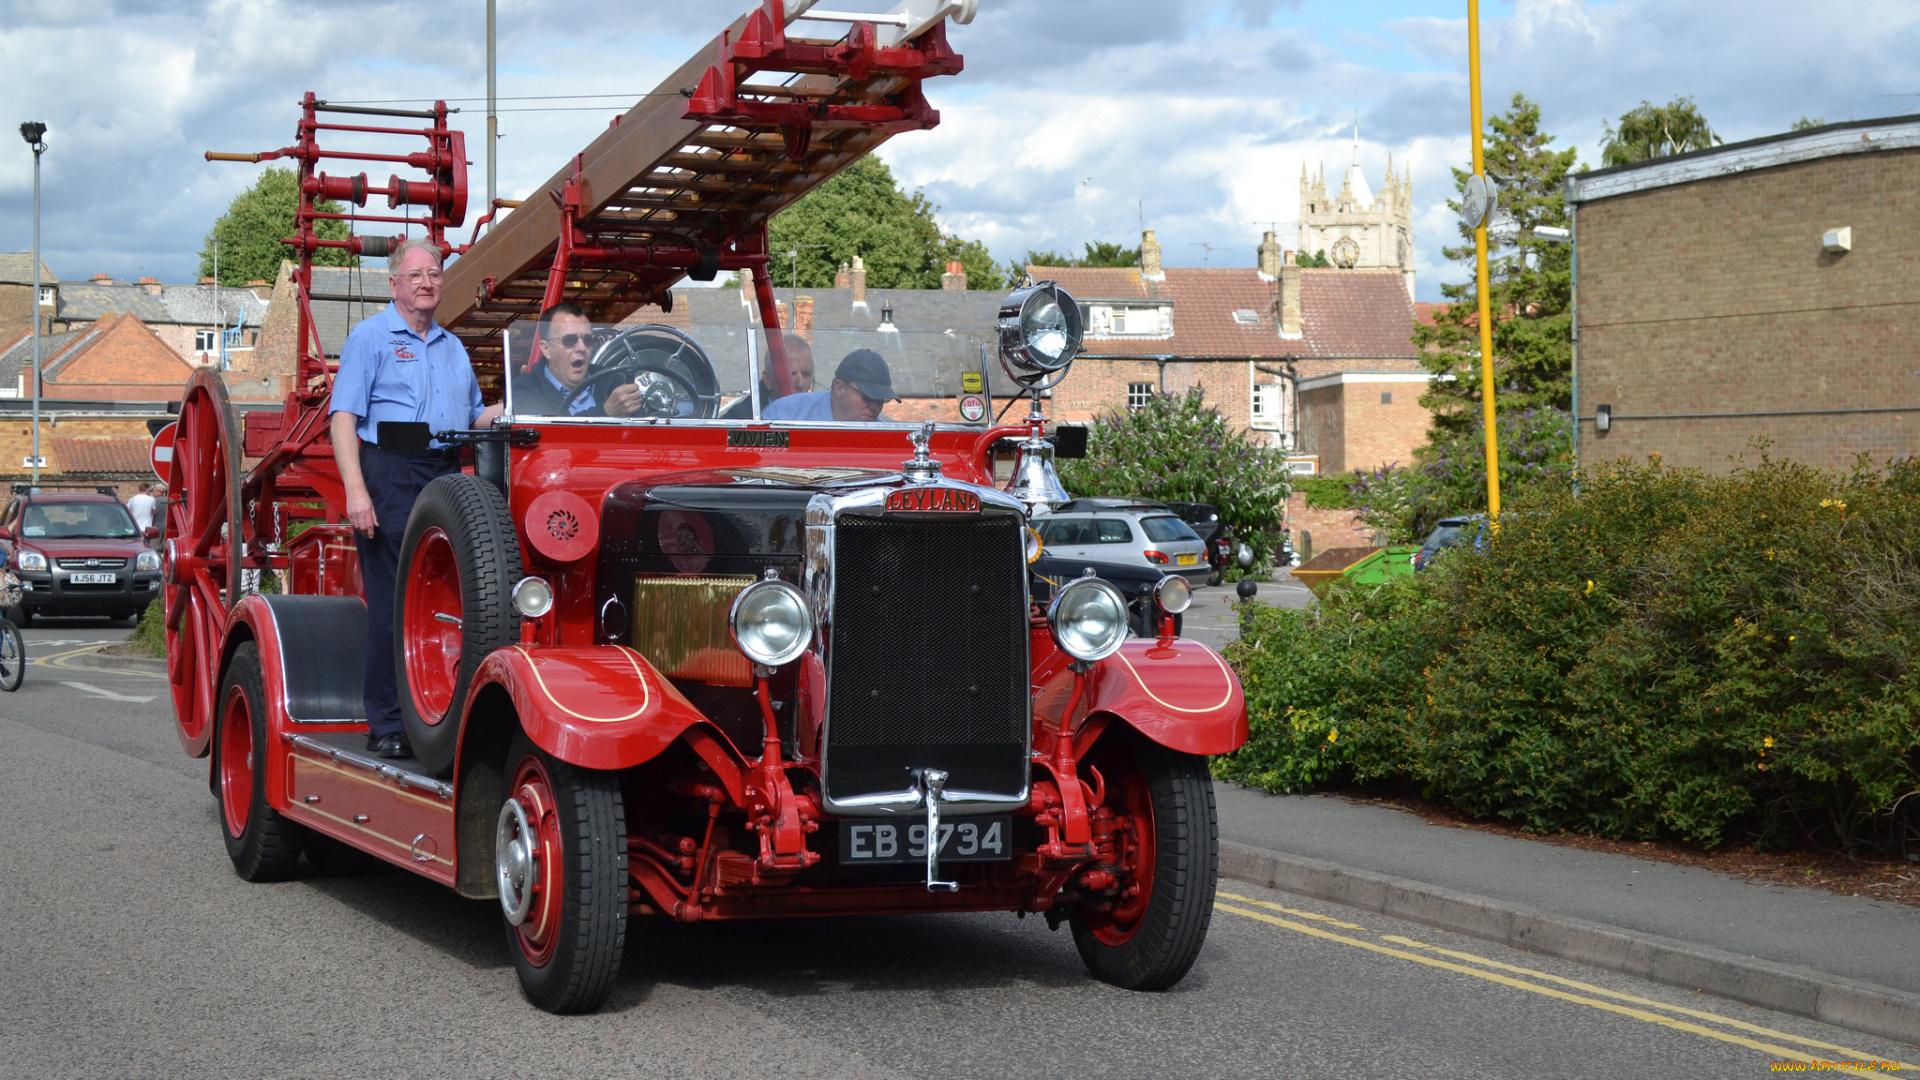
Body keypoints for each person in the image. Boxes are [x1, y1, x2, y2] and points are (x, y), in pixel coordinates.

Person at [329, 238, 503, 759]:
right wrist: (357, 492)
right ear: (394, 285)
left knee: (447, 599)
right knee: (393, 603)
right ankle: (386, 723)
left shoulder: (452, 346)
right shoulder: (370, 337)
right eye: (416, 275)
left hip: (446, 472)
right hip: (391, 470)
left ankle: (438, 715)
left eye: (434, 274)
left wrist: (517, 403)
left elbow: (474, 419)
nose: (427, 282)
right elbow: (344, 422)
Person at [509, 302, 645, 417]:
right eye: (569, 340)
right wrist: (605, 411)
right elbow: (546, 438)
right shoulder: (524, 389)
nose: (581, 347)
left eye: (588, 340)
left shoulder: (611, 379)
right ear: (546, 349)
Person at [761, 348, 897, 422]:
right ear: (839, 387)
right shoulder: (783, 415)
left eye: (881, 400)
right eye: (868, 397)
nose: (875, 407)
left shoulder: (883, 436)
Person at [719, 332, 814, 419]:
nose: (801, 384)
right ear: (768, 379)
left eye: (806, 374)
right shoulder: (742, 419)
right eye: (791, 375)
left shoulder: (821, 415)